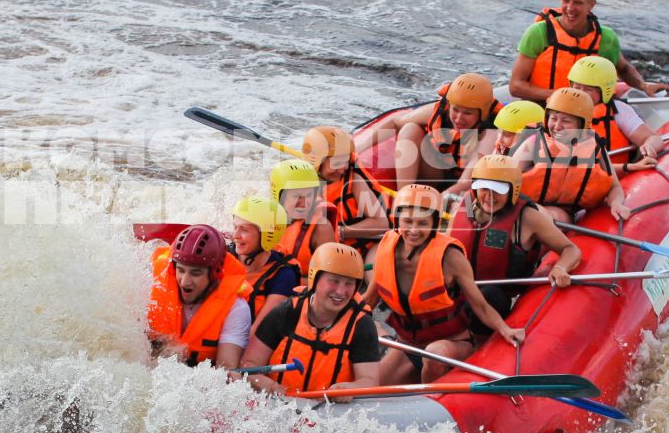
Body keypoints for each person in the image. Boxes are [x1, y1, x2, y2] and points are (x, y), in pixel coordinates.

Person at [369, 185, 525, 384]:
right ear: (396, 220)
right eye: (407, 221)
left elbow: (480, 305)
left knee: (433, 354)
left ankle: (428, 395)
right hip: (409, 345)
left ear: (434, 223)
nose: (414, 230)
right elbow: (369, 300)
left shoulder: (451, 257)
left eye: (422, 223)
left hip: (450, 345)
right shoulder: (386, 249)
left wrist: (506, 330)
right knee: (372, 386)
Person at [241, 242, 386, 398]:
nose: (341, 291)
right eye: (334, 281)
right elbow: (249, 366)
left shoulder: (361, 325)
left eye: (349, 283)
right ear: (315, 279)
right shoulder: (288, 311)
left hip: (330, 411)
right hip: (280, 405)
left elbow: (369, 381)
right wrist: (267, 385)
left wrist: (350, 388)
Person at [447, 154, 582, 317]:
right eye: (484, 189)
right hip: (460, 290)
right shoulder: (464, 207)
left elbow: (571, 249)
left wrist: (560, 268)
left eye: (497, 191)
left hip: (502, 298)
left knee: (490, 296)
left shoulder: (528, 217)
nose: (489, 196)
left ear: (513, 190)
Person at [509, 0, 669, 104]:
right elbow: (516, 86)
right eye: (566, 1)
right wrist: (563, 95)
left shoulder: (605, 38)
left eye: (577, 3)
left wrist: (643, 86)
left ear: (591, 5)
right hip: (542, 106)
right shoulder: (539, 33)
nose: (570, 8)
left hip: (584, 114)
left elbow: (623, 69)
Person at [513, 88, 630, 224]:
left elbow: (615, 186)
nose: (557, 126)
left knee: (554, 216)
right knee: (543, 216)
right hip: (528, 206)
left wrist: (616, 203)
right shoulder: (534, 143)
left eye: (566, 121)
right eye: (554, 118)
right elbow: (507, 177)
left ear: (582, 125)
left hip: (564, 212)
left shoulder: (595, 147)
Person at [148, 224, 250, 370]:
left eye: (196, 273)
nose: (185, 281)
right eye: (181, 270)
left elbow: (226, 368)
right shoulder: (149, 285)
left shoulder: (236, 308)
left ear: (214, 274)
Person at [374, 72, 501, 188]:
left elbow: (464, 182)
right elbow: (395, 122)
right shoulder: (440, 110)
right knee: (410, 129)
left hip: (467, 185)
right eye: (455, 110)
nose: (458, 118)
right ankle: (404, 192)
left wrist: (445, 197)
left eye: (468, 113)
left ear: (482, 114)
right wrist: (357, 149)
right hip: (438, 174)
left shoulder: (490, 131)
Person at [301, 125, 391, 251]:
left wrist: (342, 232)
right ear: (318, 162)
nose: (342, 169)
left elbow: (381, 223)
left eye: (345, 161)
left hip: (366, 247)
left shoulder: (355, 182)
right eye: (336, 163)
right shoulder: (300, 183)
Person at [566, 54, 660, 168]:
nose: (580, 93)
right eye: (576, 88)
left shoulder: (618, 110)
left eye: (588, 89)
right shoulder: (562, 109)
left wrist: (649, 146)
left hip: (618, 177)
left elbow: (653, 138)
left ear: (605, 91)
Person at [231, 194, 300, 341]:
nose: (235, 235)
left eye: (244, 230)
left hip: (246, 342)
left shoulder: (283, 275)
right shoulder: (222, 257)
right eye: (235, 227)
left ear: (267, 234)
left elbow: (260, 331)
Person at [269, 158, 337, 273]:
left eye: (309, 195)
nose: (304, 203)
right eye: (297, 196)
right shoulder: (262, 217)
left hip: (302, 288)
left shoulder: (322, 229)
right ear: (280, 196)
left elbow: (330, 276)